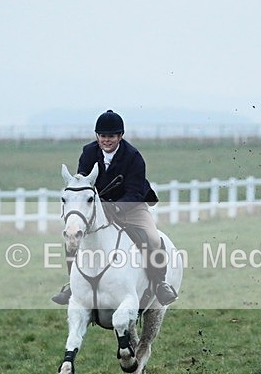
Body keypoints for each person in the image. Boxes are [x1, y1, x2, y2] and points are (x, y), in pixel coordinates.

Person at [52, 109, 178, 306]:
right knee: (72, 236)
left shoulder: (133, 156)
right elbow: (82, 184)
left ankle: (160, 283)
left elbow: (135, 192)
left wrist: (116, 209)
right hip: (97, 207)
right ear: (97, 136)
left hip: (131, 206)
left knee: (153, 238)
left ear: (120, 136)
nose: (106, 140)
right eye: (103, 136)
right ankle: (72, 284)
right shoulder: (88, 152)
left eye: (111, 136)